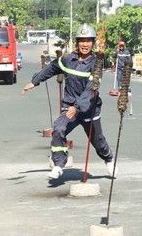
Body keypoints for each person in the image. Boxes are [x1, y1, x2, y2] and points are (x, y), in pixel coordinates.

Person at [21, 23, 117, 180]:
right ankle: (58, 165)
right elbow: (51, 68)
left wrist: (77, 108)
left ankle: (109, 159)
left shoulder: (96, 65)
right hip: (69, 107)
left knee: (98, 142)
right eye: (81, 40)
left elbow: (90, 90)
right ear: (77, 42)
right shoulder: (67, 60)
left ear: (93, 43)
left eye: (88, 41)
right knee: (58, 129)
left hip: (88, 110)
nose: (85, 44)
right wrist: (35, 81)